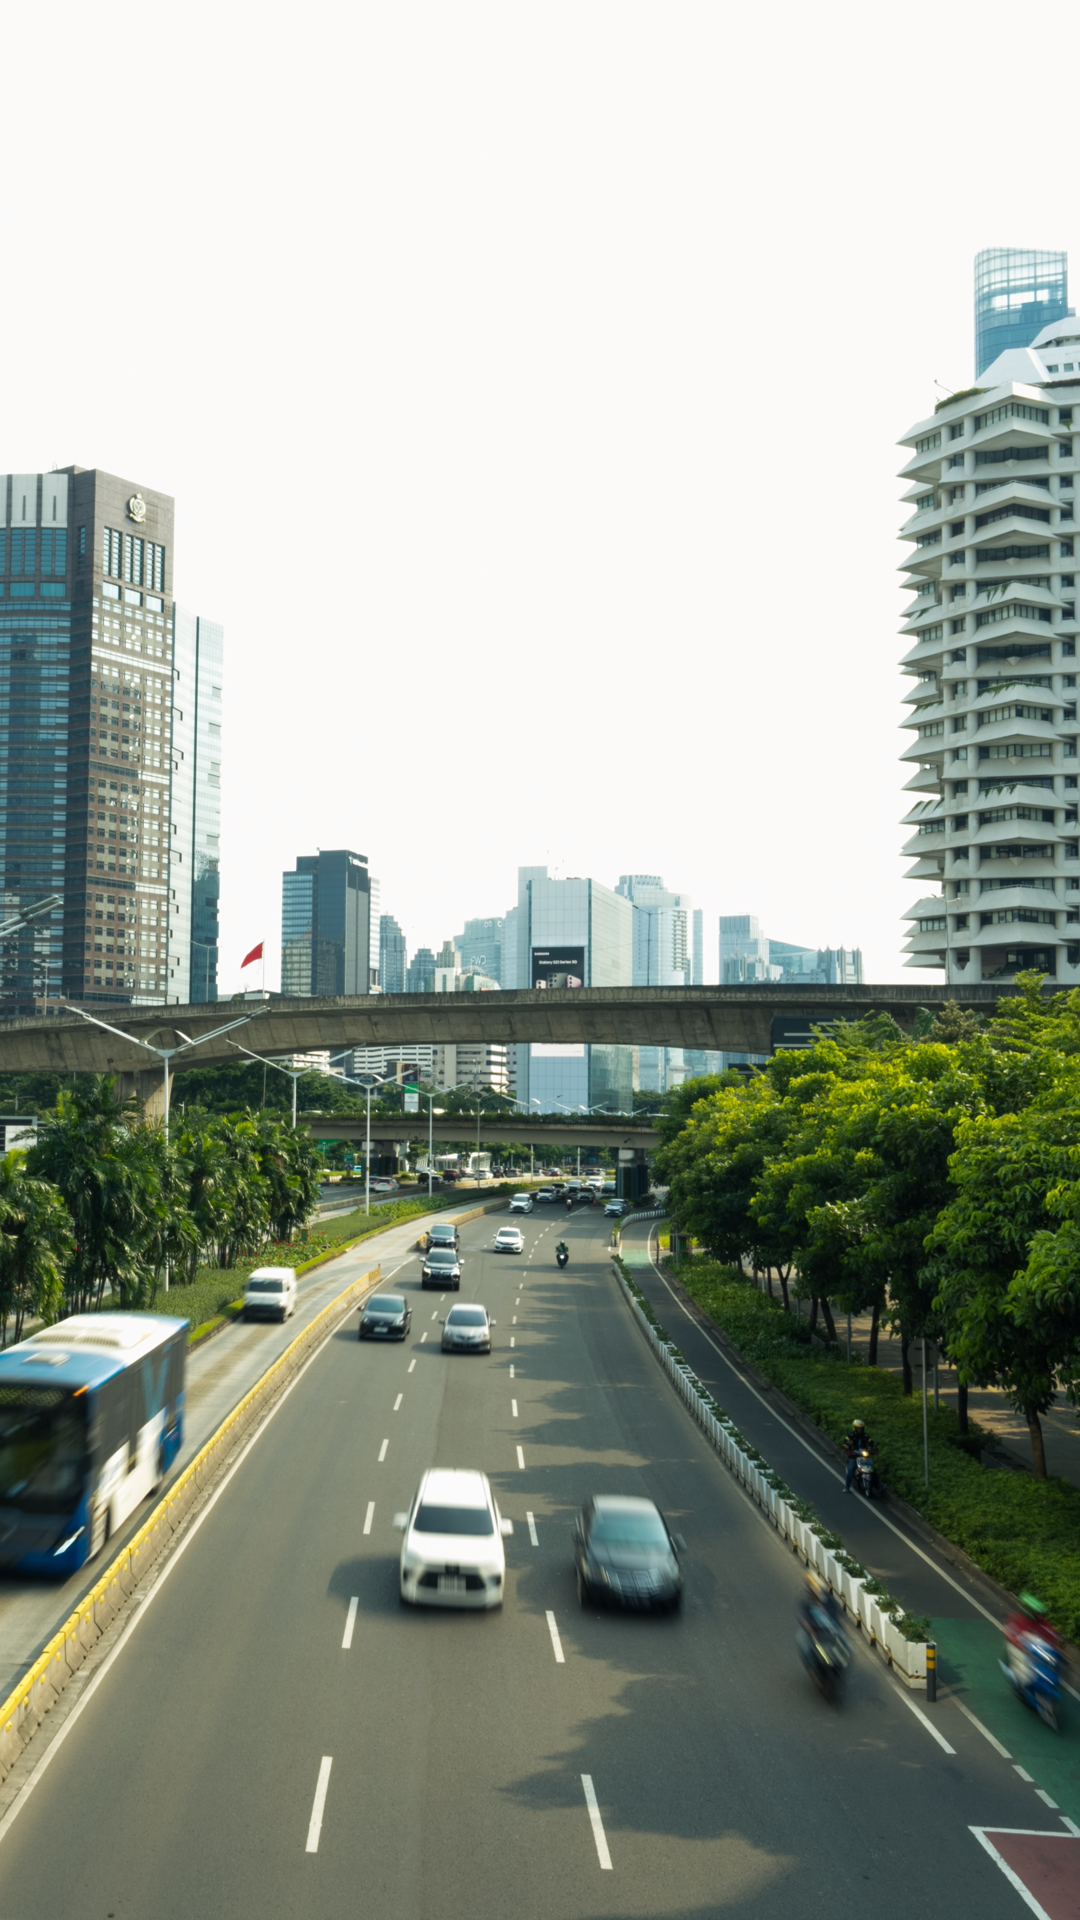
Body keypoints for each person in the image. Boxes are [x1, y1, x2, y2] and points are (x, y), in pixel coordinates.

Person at [1004, 1593, 1063, 1692]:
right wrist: (1019, 1644)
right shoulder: (1017, 1619)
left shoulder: (1041, 1622)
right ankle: (1020, 1683)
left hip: (1036, 1650)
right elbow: (1009, 1632)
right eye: (1035, 1612)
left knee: (1055, 1660)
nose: (1038, 1614)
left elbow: (1051, 1633)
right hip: (1020, 1649)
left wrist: (1058, 1644)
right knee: (1023, 1670)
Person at [843, 1417, 877, 1493]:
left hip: (865, 1455)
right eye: (858, 1428)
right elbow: (845, 1443)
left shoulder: (866, 1436)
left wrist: (874, 1448)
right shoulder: (850, 1435)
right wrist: (848, 1450)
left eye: (861, 1428)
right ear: (855, 1428)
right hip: (854, 1455)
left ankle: (878, 1487)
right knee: (851, 1469)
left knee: (873, 1470)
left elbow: (871, 1442)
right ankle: (847, 1487)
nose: (860, 1430)